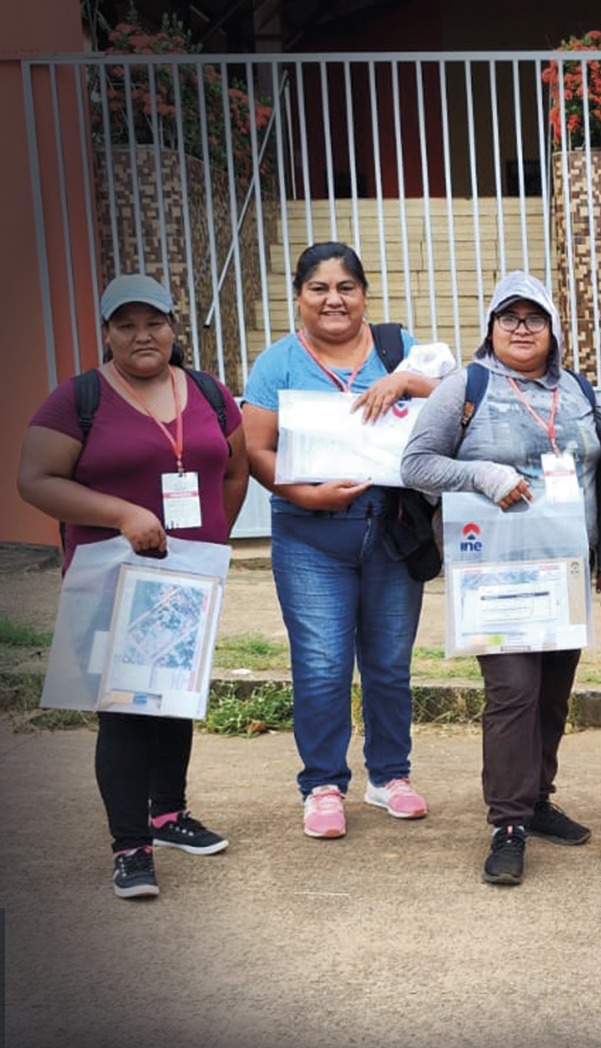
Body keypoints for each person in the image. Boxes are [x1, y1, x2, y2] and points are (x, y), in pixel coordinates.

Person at [17, 273, 248, 899]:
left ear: (174, 329)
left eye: (155, 323)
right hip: (109, 578)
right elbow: (36, 480)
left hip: (186, 573)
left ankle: (168, 816)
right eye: (127, 325)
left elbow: (233, 469)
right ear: (108, 334)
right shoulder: (80, 398)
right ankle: (131, 846)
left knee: (175, 696)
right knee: (123, 710)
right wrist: (121, 513)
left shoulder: (207, 390)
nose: (143, 335)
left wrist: (213, 538)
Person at [402, 270, 601, 885]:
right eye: (509, 318)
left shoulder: (576, 390)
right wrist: (482, 476)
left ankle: (538, 798)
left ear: (553, 329)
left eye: (535, 318)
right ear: (491, 329)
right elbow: (415, 463)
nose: (522, 329)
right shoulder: (463, 387)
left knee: (552, 694)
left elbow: (597, 475)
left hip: (564, 572)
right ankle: (507, 824)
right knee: (514, 692)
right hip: (495, 578)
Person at [241, 242, 438, 839]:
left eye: (346, 287)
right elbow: (255, 449)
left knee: (388, 664)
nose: (334, 299)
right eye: (320, 288)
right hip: (310, 534)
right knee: (323, 665)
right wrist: (305, 495)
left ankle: (388, 776)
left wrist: (405, 381)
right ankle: (323, 783)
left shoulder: (397, 348)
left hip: (392, 529)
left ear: (364, 295)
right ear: (299, 297)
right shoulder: (277, 364)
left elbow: (459, 403)